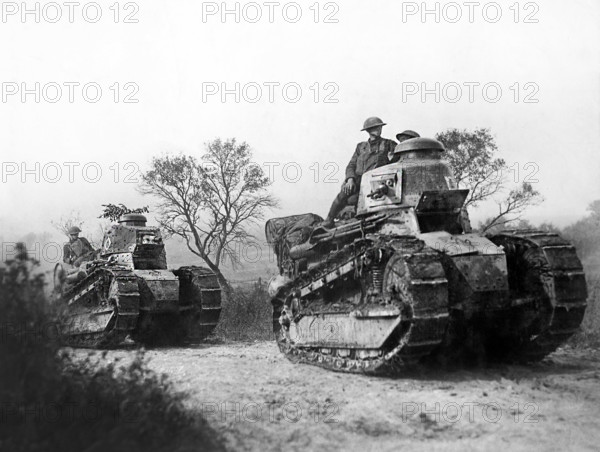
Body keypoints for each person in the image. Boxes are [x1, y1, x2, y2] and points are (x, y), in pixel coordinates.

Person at [321, 117, 397, 228]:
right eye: (374, 128)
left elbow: (399, 158)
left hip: (376, 179)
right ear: (368, 130)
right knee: (343, 194)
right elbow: (351, 165)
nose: (378, 129)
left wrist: (392, 158)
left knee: (362, 201)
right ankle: (329, 219)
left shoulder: (388, 144)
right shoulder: (361, 147)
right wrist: (350, 179)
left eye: (379, 127)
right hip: (358, 179)